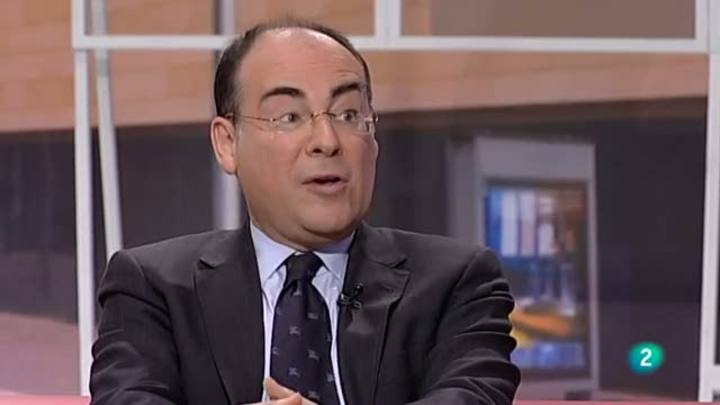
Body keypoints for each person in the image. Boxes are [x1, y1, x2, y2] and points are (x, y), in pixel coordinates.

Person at [89, 18, 520, 405]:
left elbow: (472, 396)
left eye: (348, 114)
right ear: (228, 143)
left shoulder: (456, 281)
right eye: (289, 117)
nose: (327, 141)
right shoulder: (153, 286)